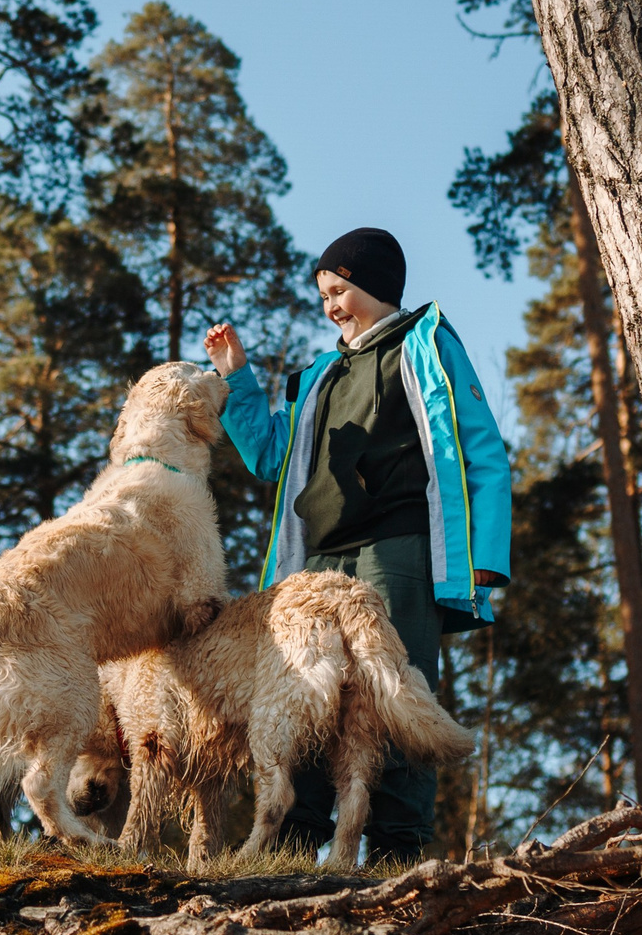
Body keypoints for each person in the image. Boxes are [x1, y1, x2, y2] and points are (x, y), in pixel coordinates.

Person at [203, 227, 511, 864]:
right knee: (308, 690)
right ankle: (293, 838)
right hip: (317, 560)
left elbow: (479, 448)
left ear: (375, 286)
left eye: (340, 290)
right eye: (323, 294)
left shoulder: (425, 344)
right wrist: (235, 375)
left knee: (391, 688)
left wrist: (486, 555)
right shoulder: (319, 376)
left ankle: (399, 847)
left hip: (397, 546)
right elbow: (269, 456)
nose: (331, 305)